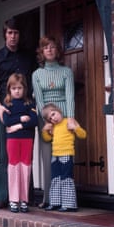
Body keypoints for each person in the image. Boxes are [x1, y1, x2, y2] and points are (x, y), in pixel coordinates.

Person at [0, 18, 36, 209]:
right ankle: (3, 196)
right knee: (6, 154)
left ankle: (26, 197)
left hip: (25, 109)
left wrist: (33, 107)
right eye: (9, 33)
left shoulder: (28, 57)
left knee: (26, 155)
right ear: (5, 34)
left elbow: (32, 83)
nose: (13, 36)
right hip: (5, 110)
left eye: (16, 33)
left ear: (19, 35)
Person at [32, 36, 76, 209]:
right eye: (45, 48)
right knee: (47, 158)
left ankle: (67, 200)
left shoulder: (66, 72)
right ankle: (49, 199)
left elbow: (70, 96)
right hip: (46, 121)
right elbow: (40, 100)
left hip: (64, 119)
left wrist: (70, 119)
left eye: (52, 47)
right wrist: (46, 121)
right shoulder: (37, 74)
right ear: (42, 52)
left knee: (65, 158)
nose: (49, 50)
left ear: (57, 51)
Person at [41, 103, 86, 212]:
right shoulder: (53, 127)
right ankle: (55, 202)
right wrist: (44, 130)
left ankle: (69, 204)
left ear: (59, 111)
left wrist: (75, 128)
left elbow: (83, 135)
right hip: (55, 155)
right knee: (55, 178)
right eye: (50, 118)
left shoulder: (69, 121)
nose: (53, 118)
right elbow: (47, 139)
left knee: (66, 178)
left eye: (53, 114)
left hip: (66, 154)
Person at [2, 73, 38, 213]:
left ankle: (24, 200)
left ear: (25, 89)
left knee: (25, 168)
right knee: (13, 167)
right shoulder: (8, 104)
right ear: (9, 89)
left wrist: (19, 126)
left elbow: (34, 121)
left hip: (26, 139)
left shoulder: (30, 103)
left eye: (20, 88)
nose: (17, 91)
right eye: (14, 88)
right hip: (12, 140)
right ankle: (13, 200)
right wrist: (22, 118)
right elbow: (6, 121)